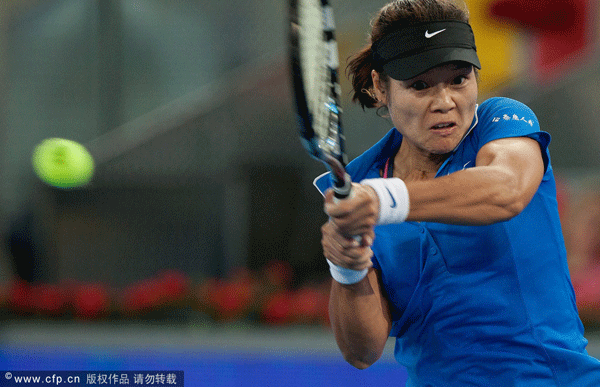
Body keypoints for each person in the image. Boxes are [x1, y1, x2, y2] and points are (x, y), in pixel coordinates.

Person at [313, 0, 600, 385]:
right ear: (381, 87)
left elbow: (507, 189)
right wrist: (346, 266)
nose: (445, 102)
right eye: (419, 85)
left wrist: (384, 200)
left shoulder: (500, 123)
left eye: (459, 79)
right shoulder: (359, 180)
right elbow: (361, 352)